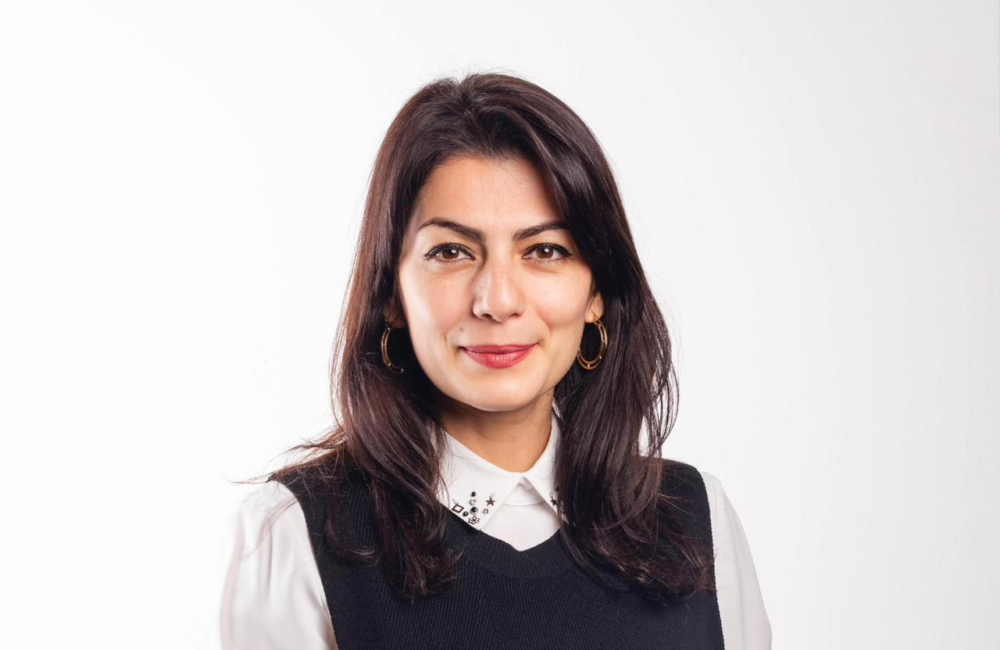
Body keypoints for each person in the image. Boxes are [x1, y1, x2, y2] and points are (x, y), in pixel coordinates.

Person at [202, 71, 771, 649]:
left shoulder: (696, 520)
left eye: (545, 250)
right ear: (391, 293)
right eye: (451, 251)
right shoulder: (291, 538)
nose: (497, 301)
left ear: (596, 291)